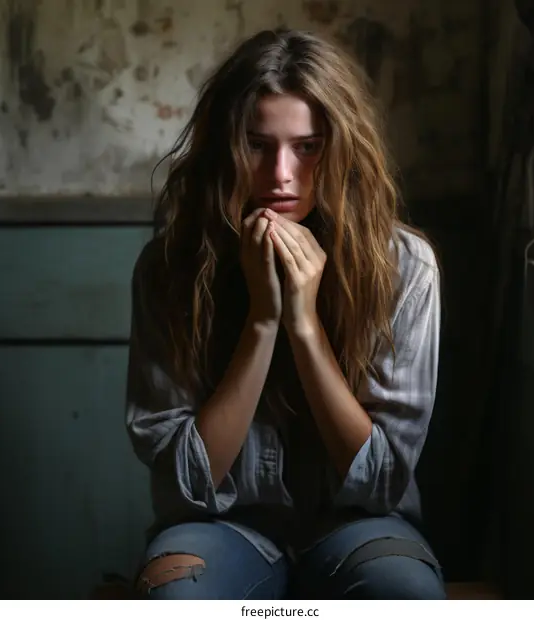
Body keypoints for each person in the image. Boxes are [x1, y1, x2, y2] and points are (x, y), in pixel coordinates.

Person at [125, 27, 444, 600]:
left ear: (342, 148)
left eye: (308, 146)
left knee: (408, 598)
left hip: (359, 526)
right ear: (225, 146)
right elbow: (186, 487)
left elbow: (382, 481)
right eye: (256, 143)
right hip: (221, 529)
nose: (280, 175)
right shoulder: (167, 269)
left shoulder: (405, 266)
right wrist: (264, 321)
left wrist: (303, 324)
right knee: (174, 600)